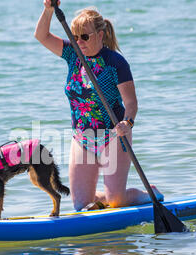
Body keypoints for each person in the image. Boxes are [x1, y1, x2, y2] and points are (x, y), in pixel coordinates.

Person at [34, 0, 164, 211]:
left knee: (116, 202)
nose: (79, 42)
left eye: (85, 36)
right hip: (82, 138)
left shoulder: (115, 63)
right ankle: (98, 209)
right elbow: (41, 36)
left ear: (100, 35)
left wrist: (127, 122)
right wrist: (48, 10)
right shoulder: (72, 54)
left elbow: (131, 102)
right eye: (75, 37)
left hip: (113, 136)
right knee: (80, 205)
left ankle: (148, 192)